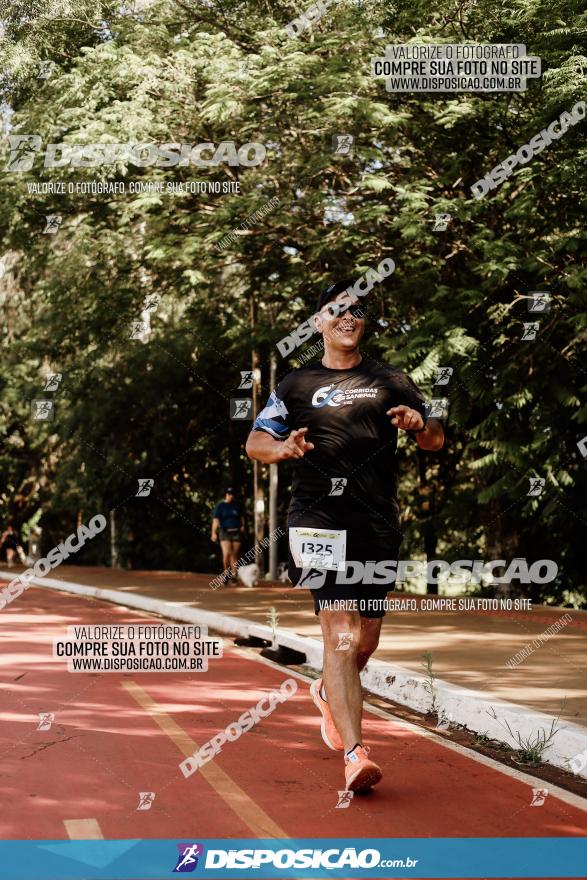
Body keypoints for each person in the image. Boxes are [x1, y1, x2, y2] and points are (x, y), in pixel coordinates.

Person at [245, 279, 444, 792]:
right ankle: (356, 754)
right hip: (316, 519)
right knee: (341, 633)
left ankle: (328, 692)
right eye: (336, 310)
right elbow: (255, 443)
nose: (347, 317)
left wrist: (419, 422)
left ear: (363, 321)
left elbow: (436, 439)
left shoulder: (391, 380)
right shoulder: (294, 384)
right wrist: (282, 449)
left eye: (356, 310)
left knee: (366, 639)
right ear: (319, 323)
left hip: (375, 521)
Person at [211, 488, 245, 584]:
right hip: (225, 532)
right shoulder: (221, 506)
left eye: (232, 494)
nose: (231, 496)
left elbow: (241, 517)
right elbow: (216, 520)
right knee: (226, 554)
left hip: (236, 532)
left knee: (234, 554)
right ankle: (226, 573)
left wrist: (243, 526)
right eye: (229, 494)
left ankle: (234, 576)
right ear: (226, 494)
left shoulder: (237, 505)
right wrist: (213, 532)